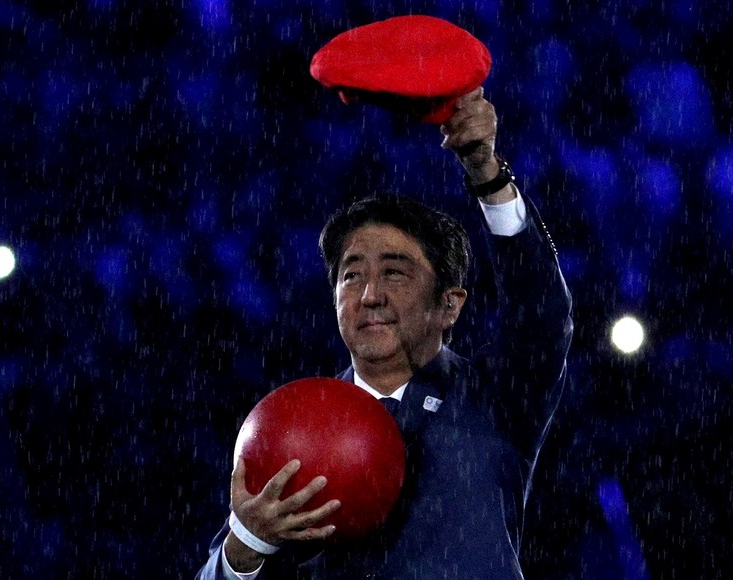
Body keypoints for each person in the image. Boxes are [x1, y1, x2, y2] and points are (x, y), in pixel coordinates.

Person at [196, 88, 573, 579]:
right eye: (351, 276)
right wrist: (245, 544)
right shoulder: (290, 425)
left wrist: (487, 174)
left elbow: (541, 313)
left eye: (395, 273)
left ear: (449, 304)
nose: (369, 294)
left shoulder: (495, 399)